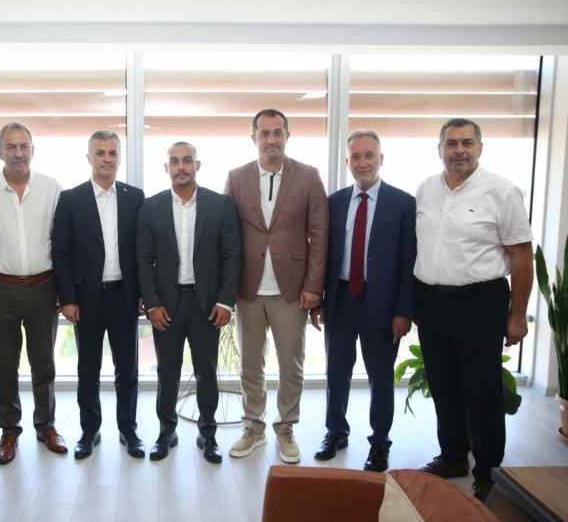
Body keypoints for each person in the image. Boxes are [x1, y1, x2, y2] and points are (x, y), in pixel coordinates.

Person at [414, 118, 533, 502]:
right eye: (451, 143)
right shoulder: (426, 189)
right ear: (440, 150)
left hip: (480, 303)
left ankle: (487, 471)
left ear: (480, 147)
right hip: (432, 304)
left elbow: (522, 255)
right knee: (443, 386)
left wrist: (517, 315)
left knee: (483, 392)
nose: (459, 150)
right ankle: (453, 457)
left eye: (467, 142)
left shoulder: (501, 191)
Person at [224, 109, 328, 464]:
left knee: (291, 365)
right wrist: (227, 287)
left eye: (277, 132)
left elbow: (320, 235)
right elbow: (227, 235)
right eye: (264, 133)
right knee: (250, 365)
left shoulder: (309, 176)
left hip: (292, 290)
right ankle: (253, 427)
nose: (271, 139)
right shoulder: (236, 177)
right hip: (247, 289)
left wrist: (314, 285)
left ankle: (285, 428)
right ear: (253, 137)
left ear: (287, 136)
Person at [309, 129, 417, 472]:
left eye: (369, 155)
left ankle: (380, 442)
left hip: (383, 304)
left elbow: (409, 262)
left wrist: (404, 311)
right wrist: (320, 300)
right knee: (336, 373)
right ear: (347, 162)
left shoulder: (403, 203)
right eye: (355, 156)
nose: (362, 162)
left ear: (381, 159)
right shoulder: (334, 202)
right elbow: (324, 254)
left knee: (380, 377)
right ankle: (335, 433)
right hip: (340, 299)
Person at [0, 122, 66, 464]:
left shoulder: (52, 187)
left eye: (24, 146)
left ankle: (46, 425)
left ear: (32, 150)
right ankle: (9, 431)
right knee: (6, 365)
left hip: (44, 286)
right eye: (11, 147)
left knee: (44, 363)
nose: (18, 153)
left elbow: (62, 242)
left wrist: (63, 287)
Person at [136, 142, 241, 464]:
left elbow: (232, 256)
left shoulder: (220, 205)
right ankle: (166, 432)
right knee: (167, 372)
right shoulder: (150, 207)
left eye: (187, 160)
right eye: (174, 161)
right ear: (166, 167)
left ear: (198, 164)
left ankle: (207, 434)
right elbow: (143, 259)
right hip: (166, 305)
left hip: (206, 304)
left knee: (206, 371)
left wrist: (225, 301)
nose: (181, 166)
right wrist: (152, 304)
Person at [52, 131, 145, 459]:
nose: (107, 158)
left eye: (112, 152)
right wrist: (68, 299)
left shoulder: (135, 197)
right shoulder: (70, 199)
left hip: (124, 298)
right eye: (100, 152)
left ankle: (128, 430)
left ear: (119, 157)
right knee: (88, 371)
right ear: (89, 157)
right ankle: (89, 431)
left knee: (127, 371)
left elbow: (143, 250)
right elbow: (60, 252)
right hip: (86, 300)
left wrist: (143, 293)